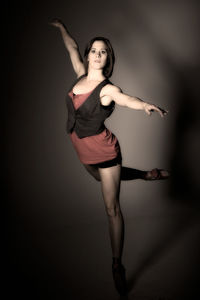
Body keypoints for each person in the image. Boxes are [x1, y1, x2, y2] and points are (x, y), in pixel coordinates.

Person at [50, 18, 169, 296]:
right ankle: (145, 174)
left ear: (108, 58)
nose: (97, 55)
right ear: (89, 53)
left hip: (104, 151)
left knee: (111, 207)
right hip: (82, 150)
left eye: (103, 52)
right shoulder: (80, 74)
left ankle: (117, 265)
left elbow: (126, 98)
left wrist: (145, 105)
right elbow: (71, 48)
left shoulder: (106, 89)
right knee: (103, 181)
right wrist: (62, 28)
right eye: (94, 50)